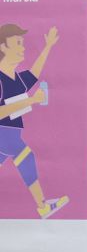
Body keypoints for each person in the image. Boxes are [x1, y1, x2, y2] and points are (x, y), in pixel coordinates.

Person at [0, 23, 68, 218]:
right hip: (5, 133)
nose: (23, 47)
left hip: (10, 132)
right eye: (18, 43)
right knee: (26, 157)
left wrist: (47, 47)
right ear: (3, 47)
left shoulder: (13, 77)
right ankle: (42, 206)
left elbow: (33, 76)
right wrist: (31, 100)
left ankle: (43, 206)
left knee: (23, 158)